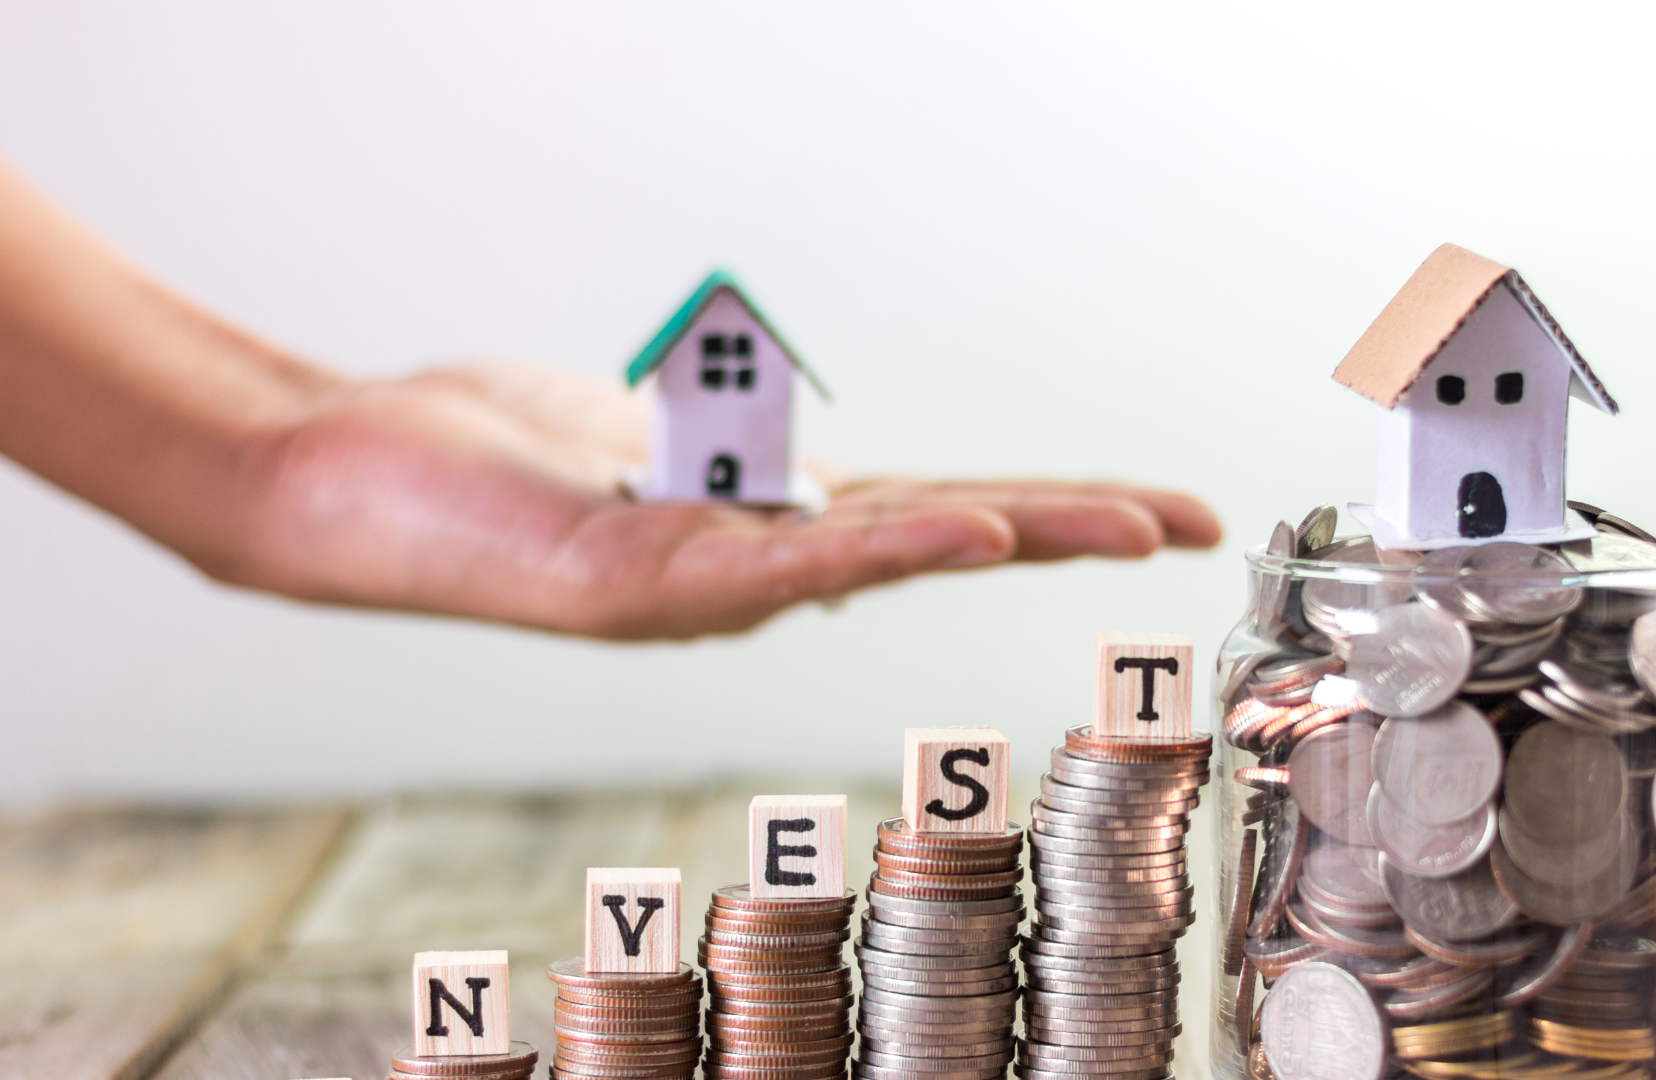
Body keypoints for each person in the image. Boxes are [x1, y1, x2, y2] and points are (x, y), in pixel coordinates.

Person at [0, 164, 1219, 639]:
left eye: (738, 368)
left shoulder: (734, 377)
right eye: (726, 368)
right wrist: (266, 445)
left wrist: (270, 442)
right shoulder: (697, 375)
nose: (734, 376)